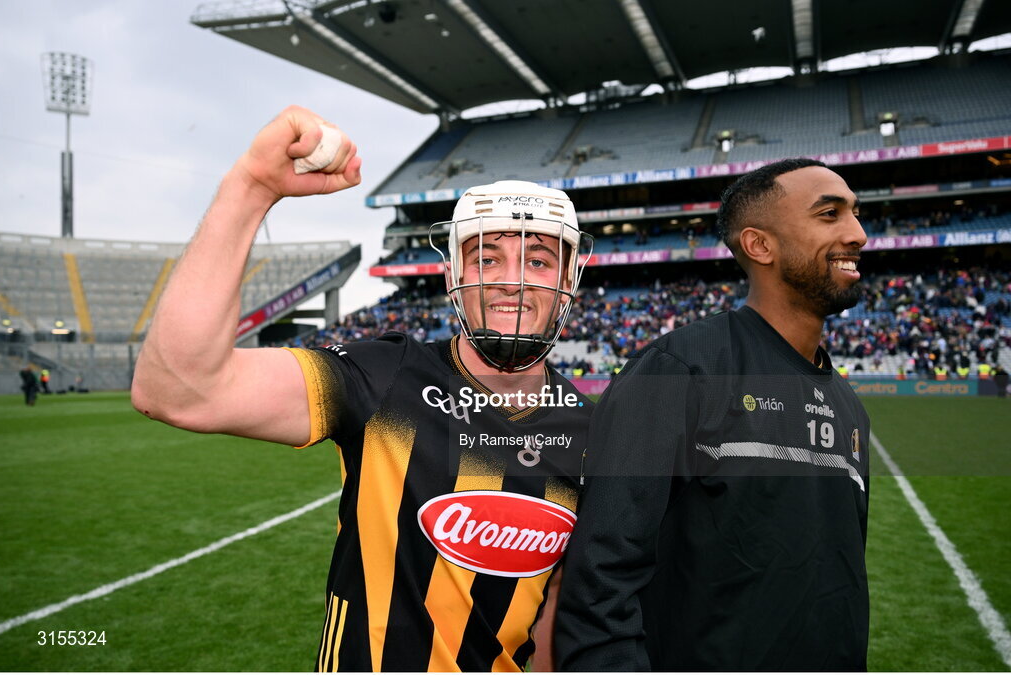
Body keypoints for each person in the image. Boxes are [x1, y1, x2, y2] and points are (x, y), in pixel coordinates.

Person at [131, 106, 593, 672]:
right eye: (486, 255)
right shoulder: (385, 376)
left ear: (569, 280)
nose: (509, 277)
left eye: (539, 259)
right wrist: (250, 187)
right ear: (451, 277)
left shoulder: (594, 434)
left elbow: (553, 616)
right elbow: (177, 390)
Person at [556, 158, 871, 671]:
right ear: (759, 245)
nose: (858, 234)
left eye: (856, 214)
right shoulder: (678, 371)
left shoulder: (849, 405)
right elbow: (600, 581)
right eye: (830, 214)